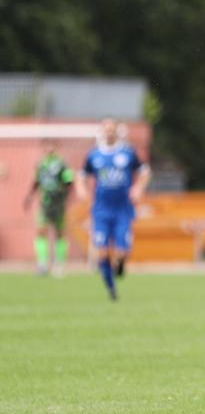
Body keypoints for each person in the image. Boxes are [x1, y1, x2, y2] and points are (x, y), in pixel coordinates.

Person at [75, 119, 152, 300]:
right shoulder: (94, 155)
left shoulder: (127, 152)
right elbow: (81, 176)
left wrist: (139, 188)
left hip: (122, 210)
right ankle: (111, 289)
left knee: (121, 252)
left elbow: (145, 171)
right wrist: (81, 190)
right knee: (101, 251)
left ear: (117, 132)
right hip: (101, 211)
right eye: (106, 130)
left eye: (112, 130)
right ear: (102, 132)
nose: (109, 133)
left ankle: (120, 265)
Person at [23, 139, 74, 276]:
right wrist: (29, 197)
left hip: (59, 204)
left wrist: (61, 193)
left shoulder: (62, 164)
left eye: (52, 146)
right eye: (47, 146)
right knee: (41, 231)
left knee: (60, 232)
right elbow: (36, 182)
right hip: (44, 203)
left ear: (57, 147)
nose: (49, 149)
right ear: (43, 148)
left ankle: (60, 264)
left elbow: (70, 182)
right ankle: (42, 263)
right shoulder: (41, 164)